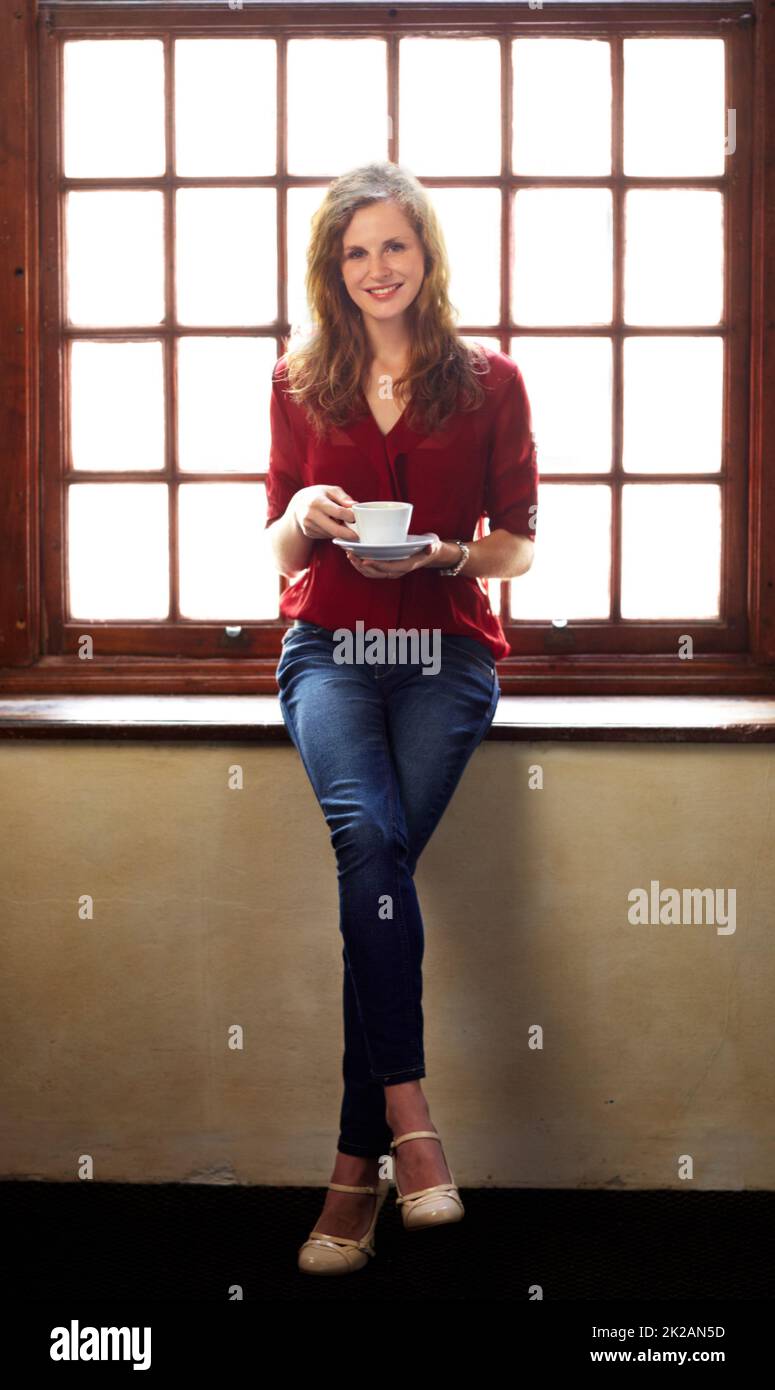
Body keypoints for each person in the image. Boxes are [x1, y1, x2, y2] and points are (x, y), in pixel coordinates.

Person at [264, 161, 538, 1275]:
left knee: (369, 882)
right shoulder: (296, 379)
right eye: (354, 251)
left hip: (442, 654)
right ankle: (409, 1125)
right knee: (368, 848)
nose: (377, 268)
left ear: (426, 256)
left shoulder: (488, 380)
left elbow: (516, 541)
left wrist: (448, 554)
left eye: (394, 246)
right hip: (328, 646)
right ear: (335, 269)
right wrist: (298, 511)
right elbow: (278, 552)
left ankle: (350, 1177)